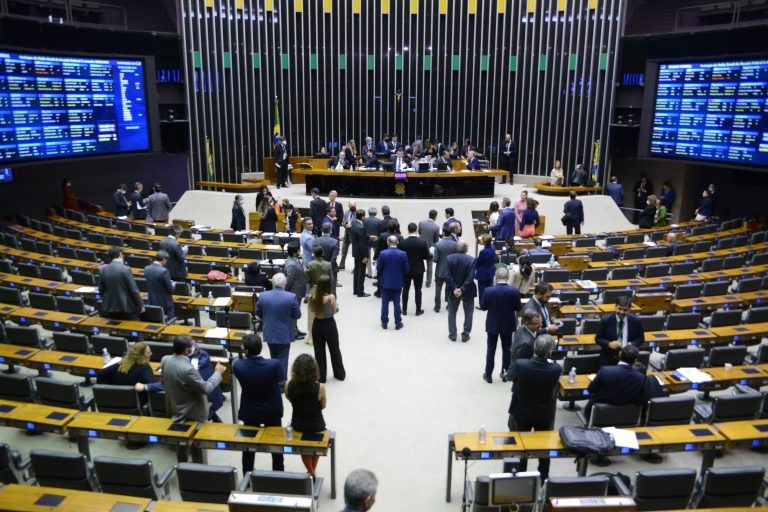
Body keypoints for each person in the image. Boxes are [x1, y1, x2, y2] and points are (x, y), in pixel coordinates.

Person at [507, 334, 561, 482]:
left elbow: (511, 377)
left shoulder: (521, 364)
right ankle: (543, 477)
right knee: (544, 448)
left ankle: (520, 476)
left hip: (521, 412)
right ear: (550, 352)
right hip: (544, 414)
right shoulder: (555, 369)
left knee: (521, 446)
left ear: (534, 348)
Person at [232, 334, 285, 472]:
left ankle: (247, 473)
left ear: (246, 351)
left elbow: (238, 368)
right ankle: (279, 472)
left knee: (248, 445)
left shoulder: (238, 366)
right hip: (271, 409)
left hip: (250, 411)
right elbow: (281, 380)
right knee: (276, 443)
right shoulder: (274, 364)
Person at [161, 335, 226, 425]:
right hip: (190, 414)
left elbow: (164, 382)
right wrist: (218, 373)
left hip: (175, 408)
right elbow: (206, 388)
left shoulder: (165, 359)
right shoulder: (188, 369)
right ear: (187, 350)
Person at [256, 272, 302, 389]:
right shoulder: (291, 297)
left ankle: (275, 379)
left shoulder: (263, 296)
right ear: (284, 284)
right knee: (283, 359)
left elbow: (259, 314)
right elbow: (297, 315)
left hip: (269, 332)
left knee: (273, 357)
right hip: (284, 333)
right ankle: (281, 384)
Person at [285, 354, 327, 477]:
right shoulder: (320, 388)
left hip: (298, 423)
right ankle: (313, 471)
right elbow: (323, 405)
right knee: (315, 448)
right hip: (316, 425)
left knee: (305, 449)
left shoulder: (288, 385)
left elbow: (290, 399)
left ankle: (311, 471)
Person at [480, 267, 521, 383]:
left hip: (492, 324)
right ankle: (505, 373)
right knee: (507, 349)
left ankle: (488, 375)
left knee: (491, 350)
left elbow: (483, 307)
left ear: (496, 277)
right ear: (507, 277)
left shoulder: (488, 291)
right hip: (508, 324)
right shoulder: (514, 291)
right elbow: (518, 308)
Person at [585, 344, 646, 421]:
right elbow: (639, 399)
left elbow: (590, 389)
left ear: (620, 355)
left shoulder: (605, 370)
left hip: (600, 414)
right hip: (625, 418)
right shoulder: (640, 377)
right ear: (635, 360)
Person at [309, 275, 345, 382]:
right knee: (334, 350)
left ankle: (321, 377)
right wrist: (337, 308)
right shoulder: (331, 297)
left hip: (317, 325)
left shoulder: (313, 297)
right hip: (329, 325)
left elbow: (312, 310)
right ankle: (339, 374)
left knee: (319, 352)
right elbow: (334, 311)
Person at [595, 296, 644, 367]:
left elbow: (641, 338)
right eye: (619, 309)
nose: (622, 312)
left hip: (628, 359)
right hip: (609, 357)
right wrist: (609, 344)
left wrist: (633, 344)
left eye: (625, 310)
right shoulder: (605, 320)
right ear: (615, 307)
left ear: (629, 310)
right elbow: (598, 339)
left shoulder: (636, 321)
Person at [99, 246, 144, 321]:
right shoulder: (125, 269)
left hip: (110, 307)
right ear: (120, 254)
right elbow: (133, 290)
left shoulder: (103, 269)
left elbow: (101, 289)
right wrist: (140, 305)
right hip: (126, 308)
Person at [445, 240, 476, 342]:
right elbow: (471, 277)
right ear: (466, 249)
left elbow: (448, 276)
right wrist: (462, 289)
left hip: (453, 290)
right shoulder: (471, 260)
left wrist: (455, 288)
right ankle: (465, 335)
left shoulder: (449, 258)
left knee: (452, 312)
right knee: (468, 313)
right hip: (468, 290)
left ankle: (453, 334)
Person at [376, 235, 409, 330]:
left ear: (388, 243)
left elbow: (379, 269)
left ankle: (384, 323)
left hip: (385, 282)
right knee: (397, 303)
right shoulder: (403, 254)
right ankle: (398, 323)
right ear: (397, 243)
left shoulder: (382, 253)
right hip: (398, 282)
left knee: (384, 303)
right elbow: (406, 269)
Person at [400, 222, 430, 316]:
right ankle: (418, 310)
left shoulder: (403, 242)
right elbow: (426, 256)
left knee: (405, 289)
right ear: (416, 230)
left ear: (408, 230)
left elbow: (401, 256)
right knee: (418, 290)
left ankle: (404, 310)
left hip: (406, 269)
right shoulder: (422, 242)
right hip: (418, 269)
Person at [508, 309, 542, 380]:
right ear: (527, 323)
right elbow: (522, 364)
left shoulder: (522, 328)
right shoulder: (526, 344)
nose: (540, 326)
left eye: (540, 323)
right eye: (536, 324)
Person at [432, 226, 458, 313]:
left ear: (443, 233)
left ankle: (437, 307)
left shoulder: (438, 244)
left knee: (438, 290)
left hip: (440, 271)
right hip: (451, 271)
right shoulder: (455, 244)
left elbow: (435, 260)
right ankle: (449, 305)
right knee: (450, 289)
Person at [143, 250, 175, 322]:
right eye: (166, 260)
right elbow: (170, 289)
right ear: (163, 259)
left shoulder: (146, 268)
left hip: (152, 300)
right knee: (169, 322)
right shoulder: (164, 271)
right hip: (165, 302)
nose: (166, 262)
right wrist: (173, 285)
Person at [284, 243, 307, 339]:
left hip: (298, 290)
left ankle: (295, 328)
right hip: (294, 292)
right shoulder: (291, 265)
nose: (300, 251)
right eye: (298, 250)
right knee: (294, 313)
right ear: (294, 253)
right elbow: (288, 281)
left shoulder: (293, 259)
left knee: (295, 312)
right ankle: (293, 333)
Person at [418, 209, 440, 288]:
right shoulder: (436, 227)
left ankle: (418, 280)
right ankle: (428, 282)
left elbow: (419, 232)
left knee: (418, 263)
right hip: (430, 248)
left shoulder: (421, 222)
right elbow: (436, 240)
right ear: (435, 217)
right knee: (429, 265)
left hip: (420, 246)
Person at [350, 209, 370, 297]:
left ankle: (355, 290)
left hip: (355, 252)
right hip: (361, 253)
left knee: (357, 272)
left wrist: (368, 236)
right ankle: (360, 292)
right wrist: (365, 256)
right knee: (361, 273)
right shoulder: (361, 227)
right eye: (364, 216)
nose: (365, 217)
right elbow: (363, 244)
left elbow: (359, 238)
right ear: (362, 217)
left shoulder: (353, 223)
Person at [314, 222, 340, 288]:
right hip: (331, 268)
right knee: (332, 289)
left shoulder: (315, 241)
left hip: (318, 267)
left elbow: (315, 256)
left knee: (320, 289)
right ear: (331, 231)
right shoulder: (335, 241)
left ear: (322, 230)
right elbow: (333, 258)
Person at [474, 234, 496, 303]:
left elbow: (478, 262)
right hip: (490, 272)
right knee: (489, 288)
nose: (480, 241)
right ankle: (489, 302)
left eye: (482, 240)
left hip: (482, 273)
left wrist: (475, 263)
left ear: (485, 242)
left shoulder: (483, 252)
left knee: (482, 290)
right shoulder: (493, 248)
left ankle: (483, 304)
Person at [363, 207, 382, 277]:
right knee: (377, 257)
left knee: (367, 257)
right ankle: (376, 272)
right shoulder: (379, 221)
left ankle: (370, 273)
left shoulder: (364, 220)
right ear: (376, 213)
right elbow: (380, 232)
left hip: (367, 240)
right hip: (376, 240)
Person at [339, 201, 357, 270]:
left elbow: (359, 222)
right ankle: (341, 265)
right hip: (346, 234)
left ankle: (356, 267)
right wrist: (345, 224)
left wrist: (351, 226)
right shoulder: (346, 212)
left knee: (355, 252)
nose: (353, 208)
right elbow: (344, 220)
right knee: (344, 250)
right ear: (349, 206)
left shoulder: (358, 213)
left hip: (353, 235)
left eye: (354, 206)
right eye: (351, 206)